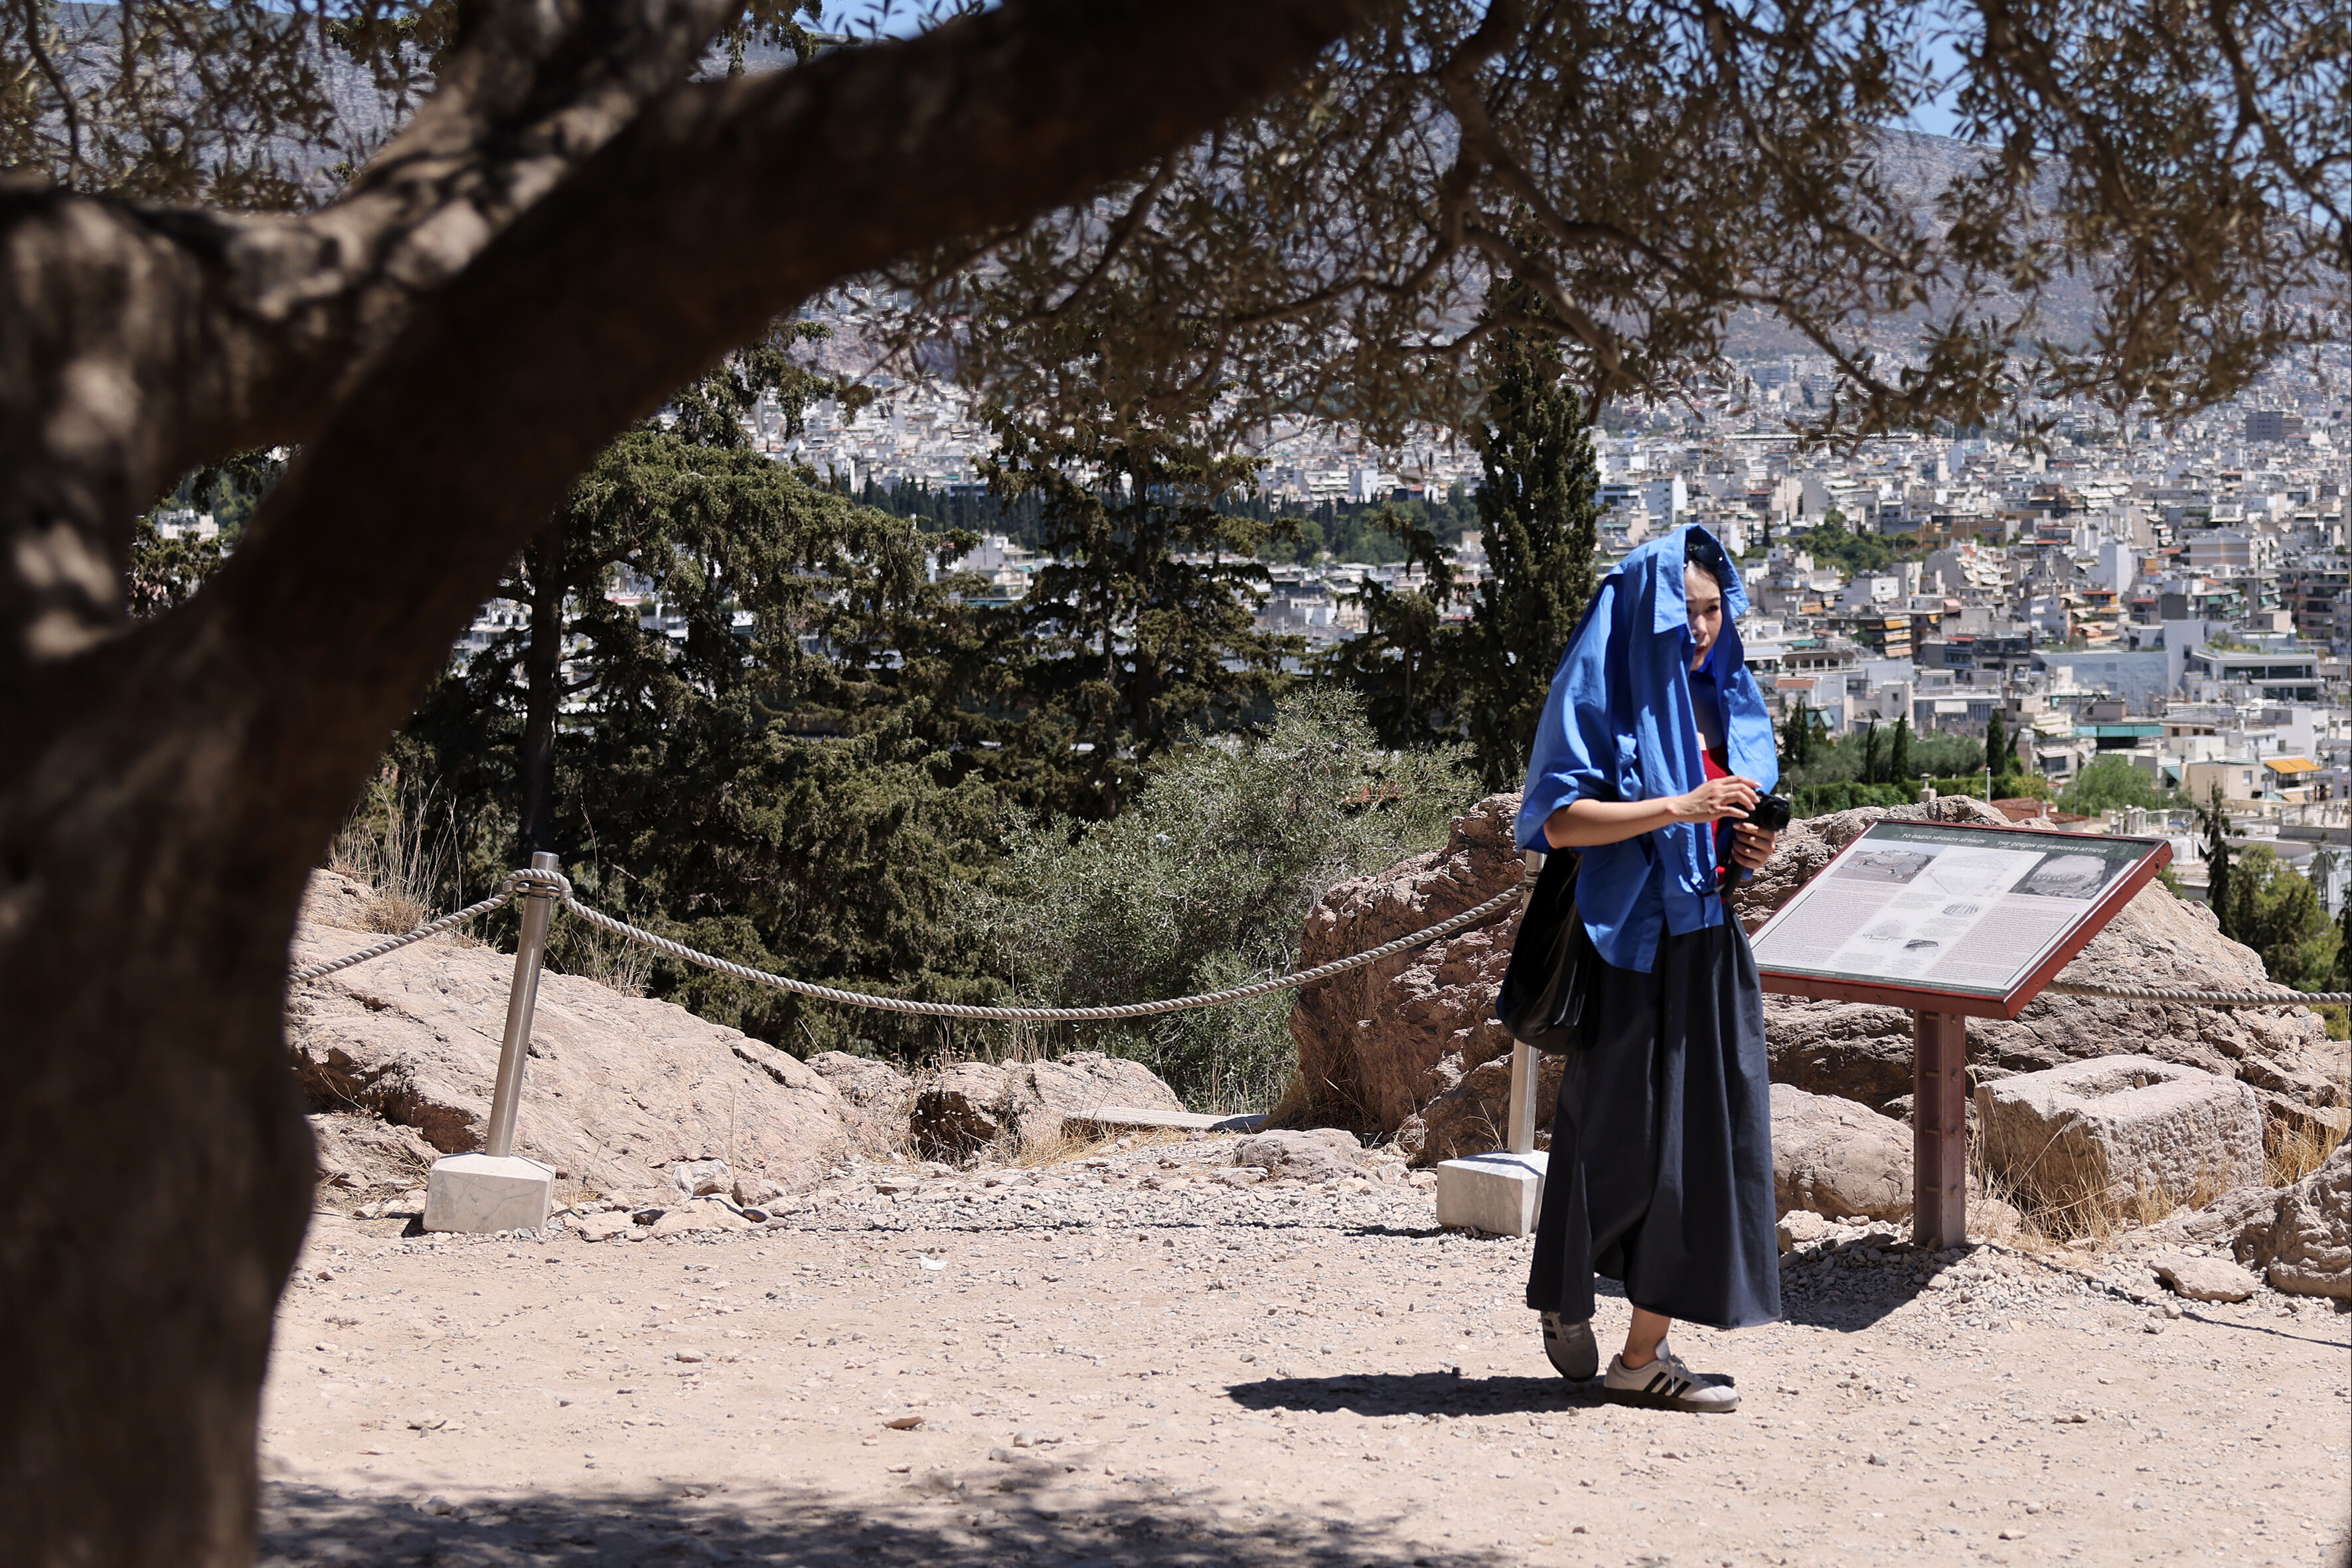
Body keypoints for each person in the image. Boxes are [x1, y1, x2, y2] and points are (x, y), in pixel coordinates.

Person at [1514, 524, 1781, 1414]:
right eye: (1686, 612)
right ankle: (1571, 1294)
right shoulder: (1608, 687)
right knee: (1611, 1142)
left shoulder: (1720, 693)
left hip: (1708, 942)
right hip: (1625, 946)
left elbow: (1725, 827)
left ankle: (1643, 1354)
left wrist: (1749, 847)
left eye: (1713, 611)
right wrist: (1682, 805)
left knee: (1702, 1150)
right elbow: (1560, 823)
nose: (1701, 629)